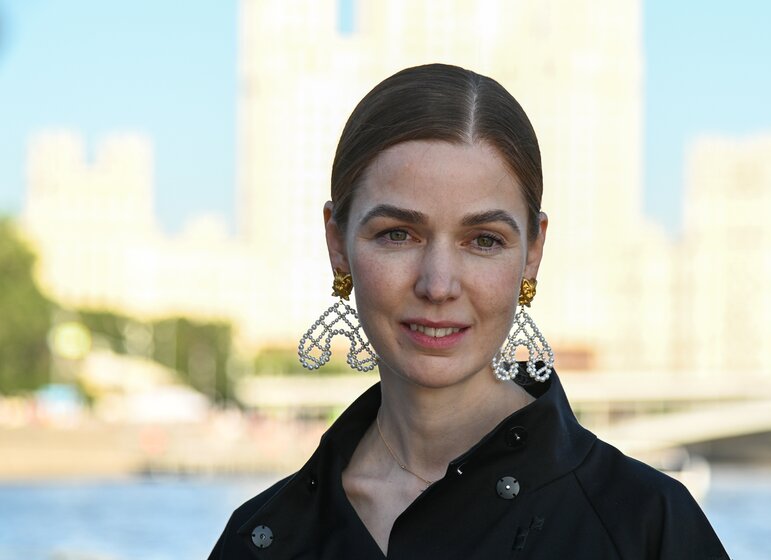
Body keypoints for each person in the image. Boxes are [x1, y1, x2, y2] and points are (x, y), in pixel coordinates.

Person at [209, 63, 730, 559]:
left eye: (483, 240)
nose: (438, 285)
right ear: (337, 243)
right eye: (398, 234)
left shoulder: (648, 528)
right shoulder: (262, 542)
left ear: (533, 252)